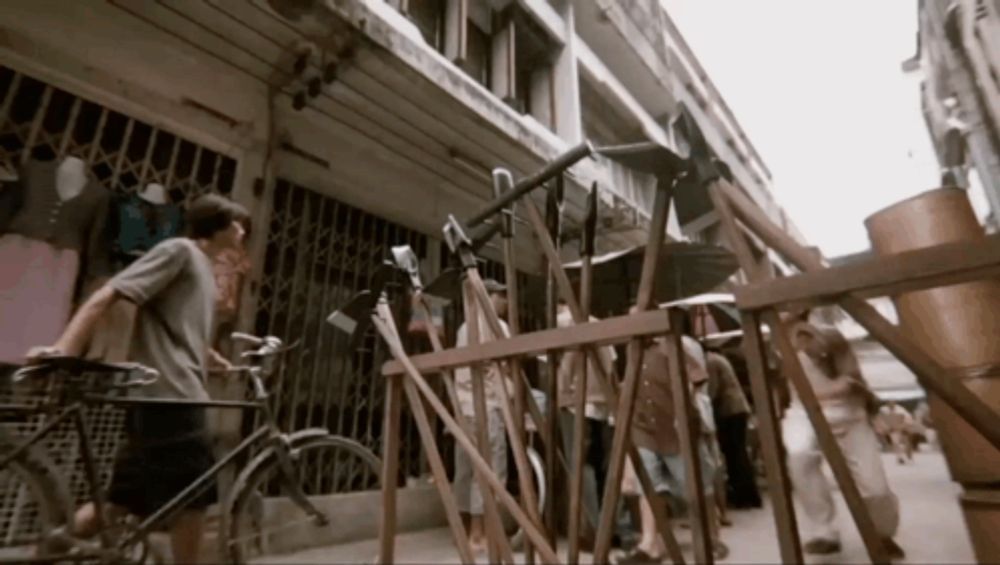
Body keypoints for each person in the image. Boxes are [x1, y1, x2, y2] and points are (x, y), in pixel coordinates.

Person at [27, 194, 248, 564]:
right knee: (194, 496)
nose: (242, 231)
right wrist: (64, 347)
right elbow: (108, 294)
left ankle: (55, 546)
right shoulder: (178, 250)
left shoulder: (205, 273)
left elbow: (180, 331)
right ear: (219, 224)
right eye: (238, 224)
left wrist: (214, 359)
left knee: (120, 502)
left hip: (171, 393)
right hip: (170, 395)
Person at [782, 320, 904, 559]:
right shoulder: (773, 341)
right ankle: (824, 531)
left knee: (875, 485)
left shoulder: (830, 335)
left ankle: (883, 533)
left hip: (848, 414)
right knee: (799, 457)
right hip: (803, 413)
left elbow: (850, 381)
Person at [617, 310, 727, 563]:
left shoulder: (671, 345)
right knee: (649, 484)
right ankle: (650, 543)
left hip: (675, 427)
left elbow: (698, 377)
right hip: (643, 426)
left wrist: (685, 403)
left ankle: (711, 536)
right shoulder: (632, 349)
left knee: (695, 485)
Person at [451, 279, 512, 554]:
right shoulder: (497, 326)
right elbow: (508, 367)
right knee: (489, 471)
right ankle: (482, 534)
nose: (506, 303)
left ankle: (465, 531)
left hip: (463, 408)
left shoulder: (465, 327)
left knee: (465, 469)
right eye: (502, 296)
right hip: (486, 404)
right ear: (490, 298)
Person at [555, 298, 618, 550]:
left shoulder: (567, 324)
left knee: (581, 468)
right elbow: (611, 368)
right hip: (601, 404)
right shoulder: (598, 325)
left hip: (576, 403)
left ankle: (591, 531)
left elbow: (567, 367)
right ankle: (610, 527)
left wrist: (561, 393)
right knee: (601, 467)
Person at [705, 349, 762, 509]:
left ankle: (742, 494)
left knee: (734, 453)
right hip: (737, 408)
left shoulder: (710, 362)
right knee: (738, 452)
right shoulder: (718, 358)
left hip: (729, 410)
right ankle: (749, 494)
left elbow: (713, 390)